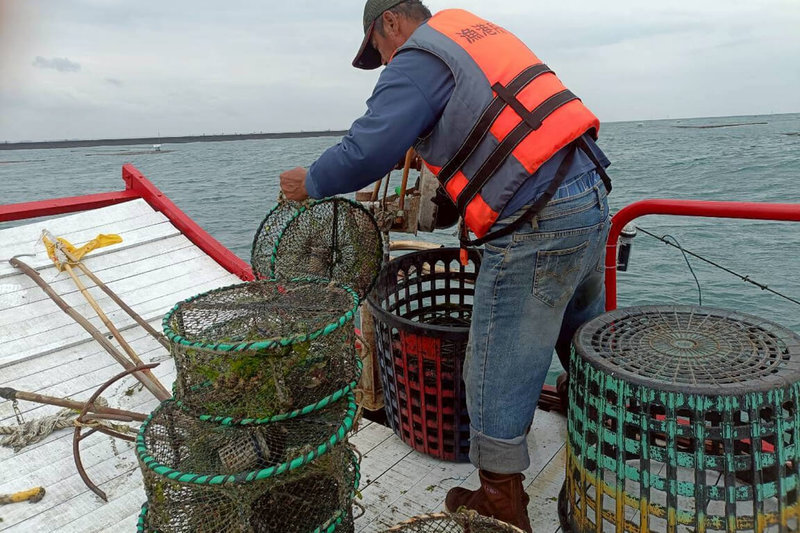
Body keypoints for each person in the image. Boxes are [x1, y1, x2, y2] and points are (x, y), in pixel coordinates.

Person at [280, 2, 611, 530]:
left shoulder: (419, 57)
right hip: (588, 190)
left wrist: (312, 181)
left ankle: (502, 501)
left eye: (379, 51)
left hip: (537, 218)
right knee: (580, 333)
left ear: (390, 22)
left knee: (493, 363)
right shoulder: (471, 36)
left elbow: (367, 148)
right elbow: (493, 128)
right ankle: (607, 432)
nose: (386, 62)